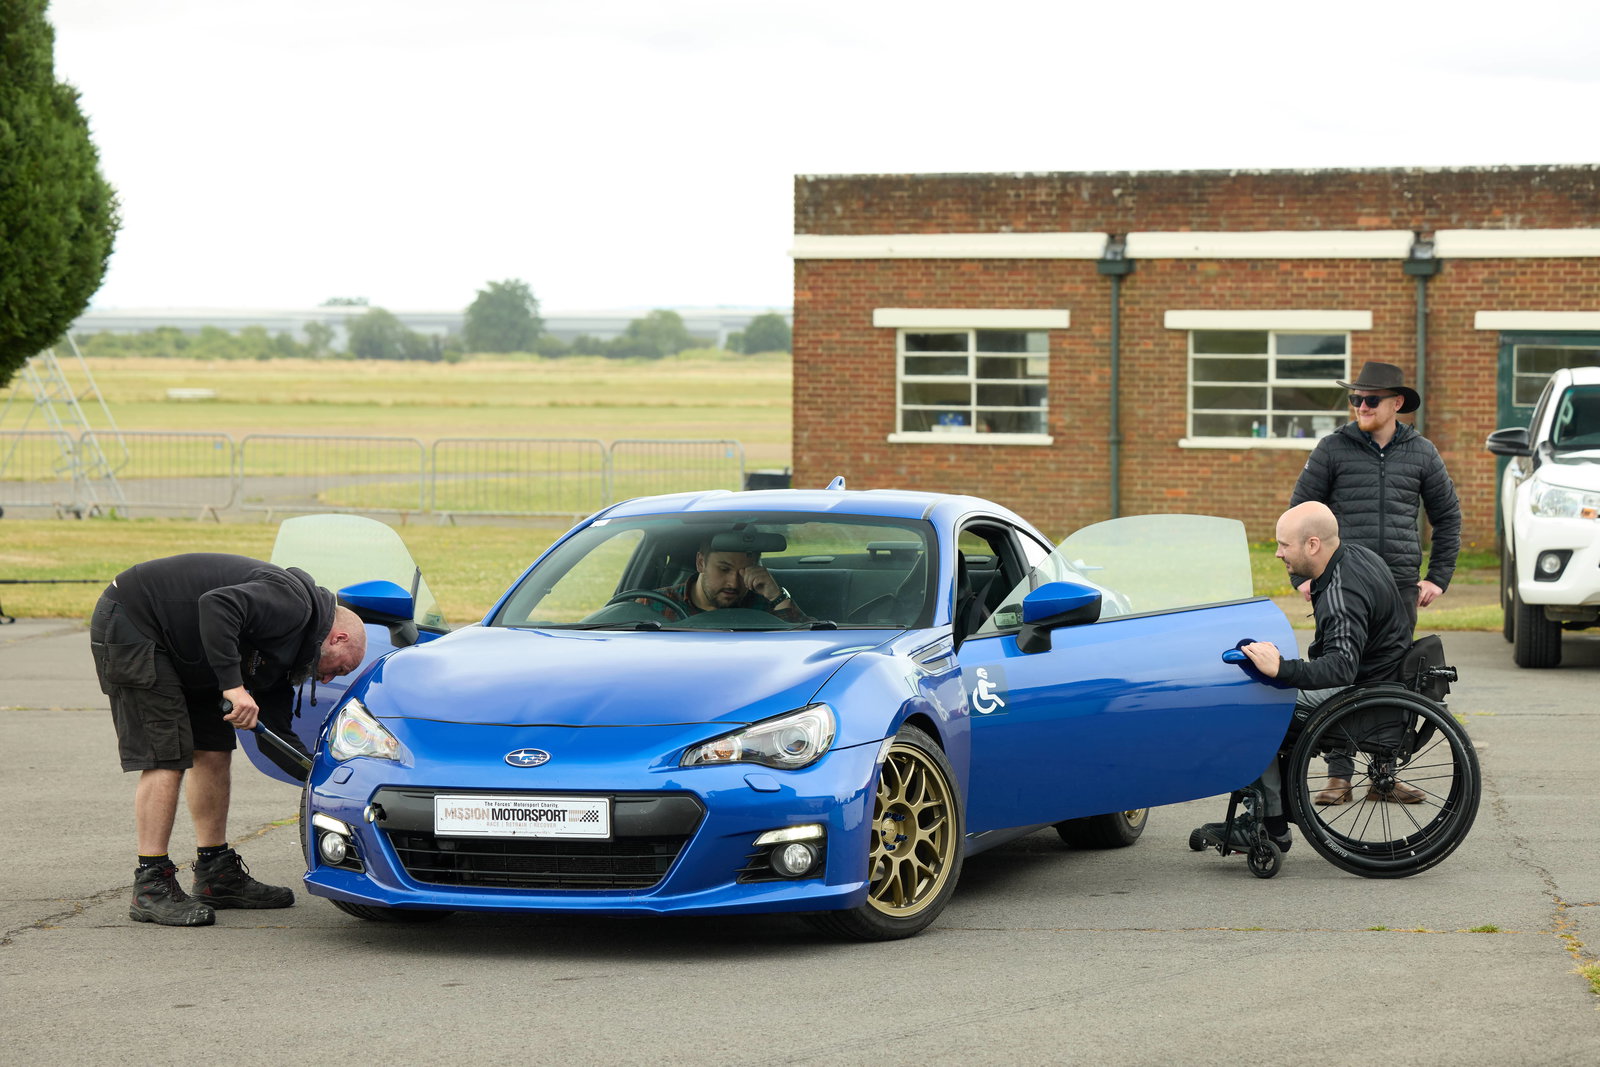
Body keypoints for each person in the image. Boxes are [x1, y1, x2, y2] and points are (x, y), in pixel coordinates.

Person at [89, 553, 368, 927]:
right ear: (338, 637)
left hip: (188, 649)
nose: (330, 679)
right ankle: (151, 884)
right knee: (166, 754)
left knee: (214, 749)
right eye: (341, 668)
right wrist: (233, 687)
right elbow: (217, 604)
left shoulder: (291, 654)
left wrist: (324, 778)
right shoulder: (292, 604)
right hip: (137, 621)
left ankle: (215, 875)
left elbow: (276, 736)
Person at [1193, 501, 1415, 853]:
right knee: (1267, 691)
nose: (1278, 553)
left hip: (1362, 696)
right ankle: (1275, 807)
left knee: (1252, 706)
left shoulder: (1343, 591)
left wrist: (1281, 669)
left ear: (1313, 544)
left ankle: (1269, 826)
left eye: (1284, 545)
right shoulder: (1359, 557)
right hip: (1381, 682)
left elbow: (1340, 667)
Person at [1290, 360, 1462, 634]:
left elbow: (1448, 517)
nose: (1362, 407)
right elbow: (1299, 514)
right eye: (1356, 399)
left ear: (1397, 403)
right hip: (1342, 582)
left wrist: (1437, 578)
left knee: (1395, 660)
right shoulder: (1331, 448)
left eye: (1371, 400)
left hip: (1399, 585)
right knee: (1340, 658)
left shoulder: (1422, 452)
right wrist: (1301, 576)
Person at [639, 534, 809, 622]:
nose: (733, 583)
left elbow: (804, 643)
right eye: (724, 569)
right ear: (701, 563)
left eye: (743, 572)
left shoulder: (766, 607)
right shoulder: (654, 605)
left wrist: (777, 596)